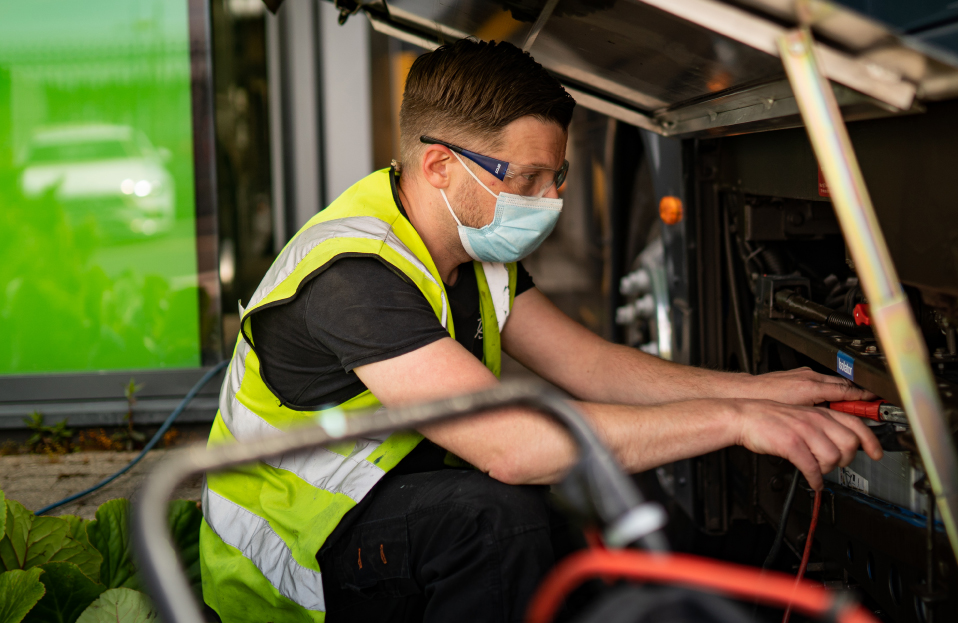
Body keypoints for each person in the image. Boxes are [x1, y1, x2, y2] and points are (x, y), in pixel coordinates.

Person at [199, 38, 882, 623]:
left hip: (397, 502)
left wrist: (759, 394)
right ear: (439, 165)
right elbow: (511, 446)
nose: (549, 200)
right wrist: (731, 421)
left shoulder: (467, 251)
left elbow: (594, 366)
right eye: (524, 177)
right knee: (497, 521)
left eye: (554, 177)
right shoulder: (354, 274)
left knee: (612, 497)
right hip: (290, 566)